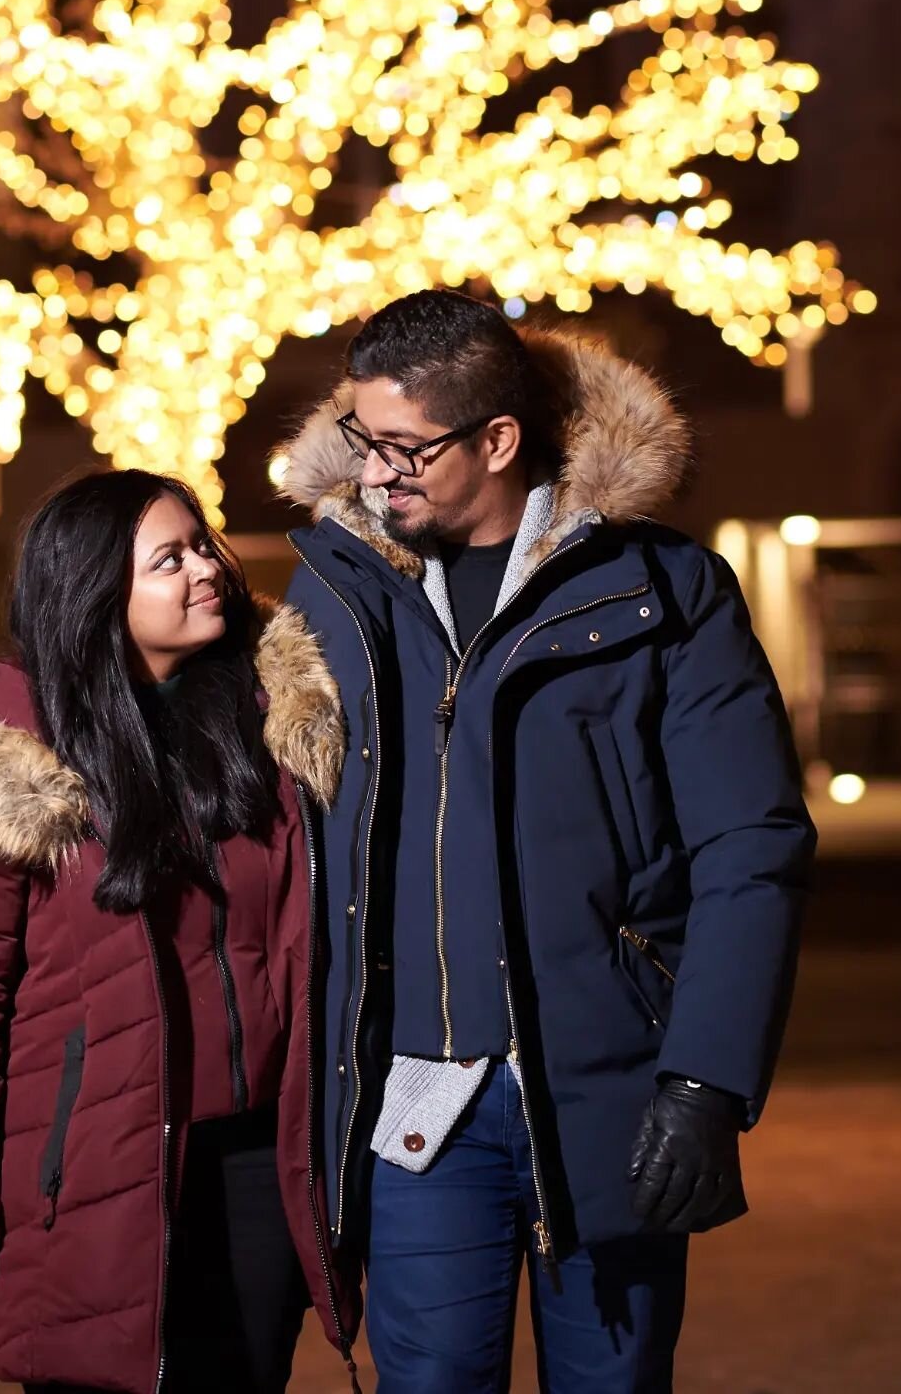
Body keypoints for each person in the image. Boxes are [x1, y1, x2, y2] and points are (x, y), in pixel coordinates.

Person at [276, 290, 815, 1393]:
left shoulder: (662, 590)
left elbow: (751, 845)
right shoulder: (338, 588)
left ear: (498, 440)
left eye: (405, 449)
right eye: (363, 443)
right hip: (414, 1097)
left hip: (608, 1091)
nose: (376, 474)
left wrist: (707, 1080)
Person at [0, 469, 361, 1394]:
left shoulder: (267, 731)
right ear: (94, 590)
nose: (206, 569)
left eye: (203, 544)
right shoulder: (7, 759)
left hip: (258, 1162)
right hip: (88, 1170)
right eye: (167, 559)